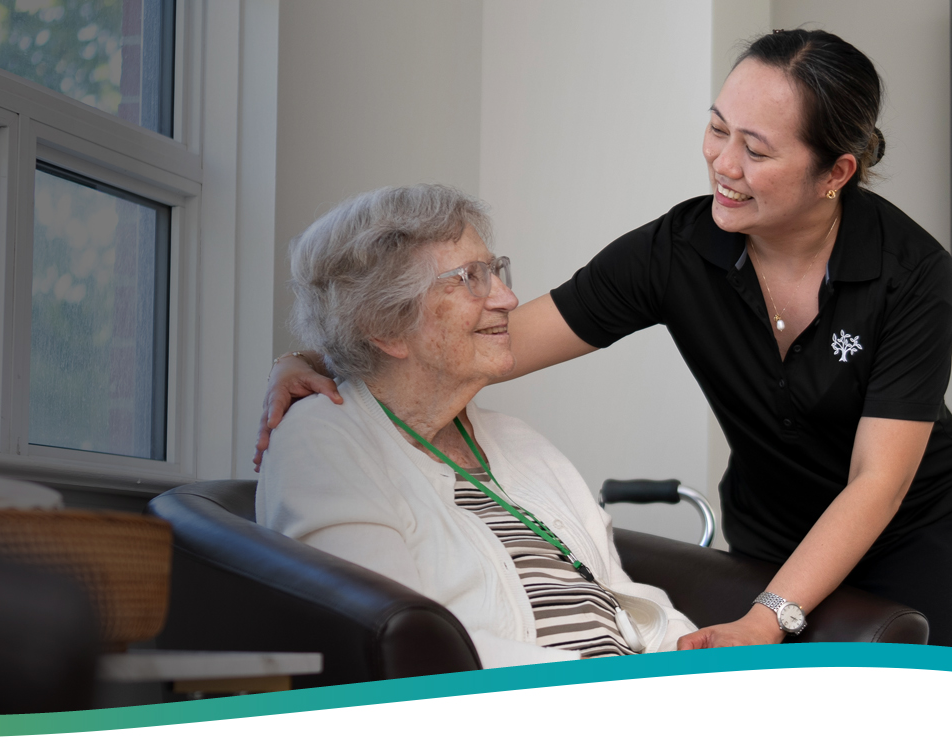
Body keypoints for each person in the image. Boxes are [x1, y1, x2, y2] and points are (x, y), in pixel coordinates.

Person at [258, 29, 952, 649]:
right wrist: (317, 355)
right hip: (771, 528)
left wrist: (768, 617)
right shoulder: (676, 253)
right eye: (718, 129)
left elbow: (878, 481)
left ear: (835, 173)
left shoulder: (907, 272)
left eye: (757, 151)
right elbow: (494, 342)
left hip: (907, 532)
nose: (724, 165)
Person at [257, 184, 696, 668]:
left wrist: (692, 654)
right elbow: (398, 646)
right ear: (384, 325)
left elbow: (622, 594)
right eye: (470, 278)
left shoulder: (519, 441)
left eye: (495, 271)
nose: (508, 298)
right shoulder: (324, 442)